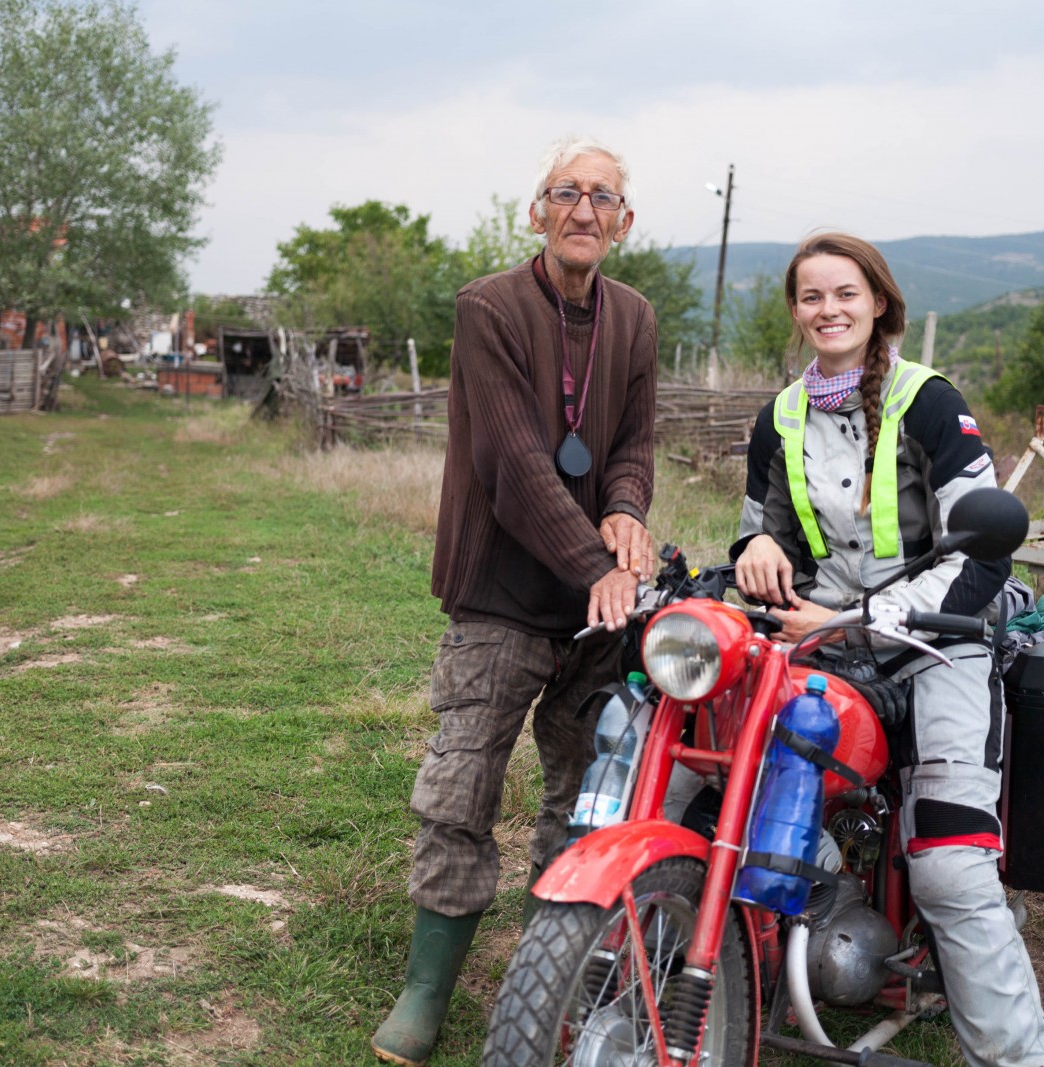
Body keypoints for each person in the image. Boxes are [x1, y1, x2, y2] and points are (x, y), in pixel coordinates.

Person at [732, 233, 1044, 1067]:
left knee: (951, 869)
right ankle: (790, 939)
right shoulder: (778, 418)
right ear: (795, 311)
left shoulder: (928, 401)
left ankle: (1023, 1057)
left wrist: (865, 620)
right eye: (811, 296)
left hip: (938, 645)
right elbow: (760, 536)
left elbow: (983, 553)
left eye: (845, 293)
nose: (828, 310)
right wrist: (753, 558)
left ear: (878, 302)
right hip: (825, 640)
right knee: (724, 781)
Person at [371, 137, 658, 1067]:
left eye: (603, 197)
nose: (584, 210)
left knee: (588, 792)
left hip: (595, 610)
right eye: (565, 193)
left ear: (624, 220)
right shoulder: (488, 307)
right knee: (462, 788)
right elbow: (512, 461)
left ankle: (553, 965)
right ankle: (426, 991)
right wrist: (597, 562)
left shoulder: (637, 318)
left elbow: (632, 443)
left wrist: (623, 511)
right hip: (501, 592)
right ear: (535, 211)